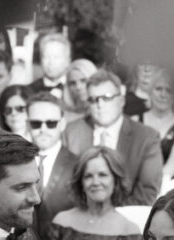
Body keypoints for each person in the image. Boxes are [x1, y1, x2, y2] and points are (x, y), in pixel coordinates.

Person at [62, 69, 163, 206]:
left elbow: (147, 191)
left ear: (121, 100)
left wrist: (109, 216)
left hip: (126, 218)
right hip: (80, 213)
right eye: (93, 100)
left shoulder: (146, 138)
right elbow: (65, 184)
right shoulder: (71, 132)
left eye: (107, 97)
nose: (100, 105)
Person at [130, 67, 174, 182]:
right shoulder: (134, 122)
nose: (163, 94)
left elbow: (172, 166)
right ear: (150, 91)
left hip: (173, 192)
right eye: (158, 89)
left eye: (169, 90)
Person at [27, 94, 79, 240]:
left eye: (51, 123)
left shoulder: (79, 165)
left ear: (62, 123)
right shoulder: (13, 165)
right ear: (27, 124)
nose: (43, 129)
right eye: (36, 123)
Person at [30, 33, 72, 97]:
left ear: (67, 61)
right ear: (41, 60)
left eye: (56, 57)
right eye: (46, 57)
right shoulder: (30, 90)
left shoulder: (74, 87)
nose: (51, 62)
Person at [63, 58, 97, 124]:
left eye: (83, 81)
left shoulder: (104, 111)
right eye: (72, 83)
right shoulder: (63, 117)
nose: (78, 87)